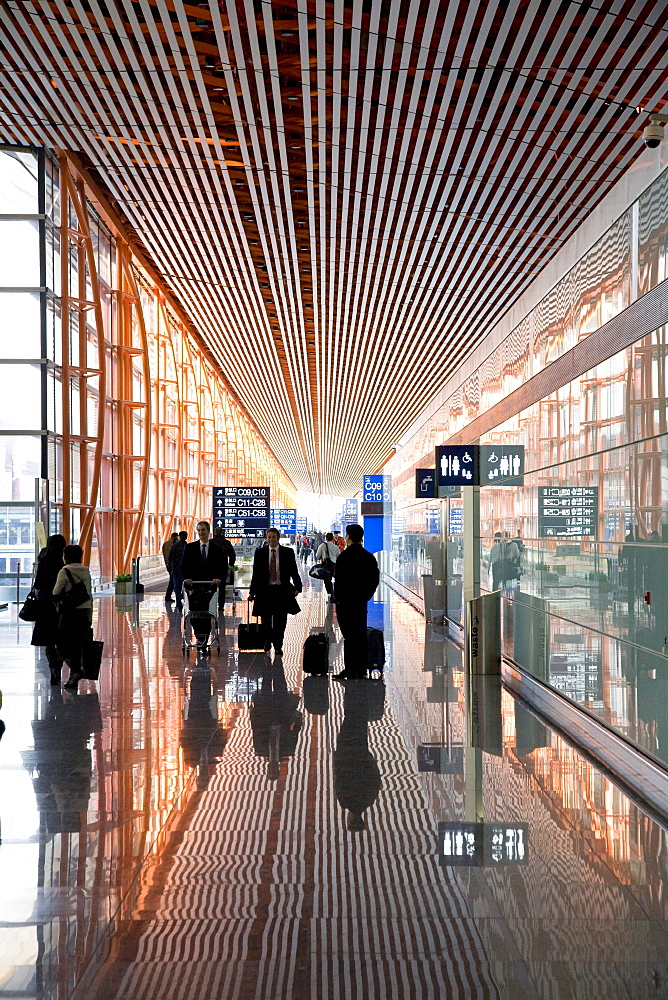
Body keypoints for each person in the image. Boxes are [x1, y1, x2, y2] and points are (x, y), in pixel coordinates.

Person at [333, 523, 380, 680]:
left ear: (348, 537)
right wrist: (366, 596)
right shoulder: (368, 557)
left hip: (345, 603)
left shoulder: (343, 557)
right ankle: (360, 668)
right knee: (359, 634)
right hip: (360, 603)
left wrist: (337, 599)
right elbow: (374, 579)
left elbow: (338, 581)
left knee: (349, 636)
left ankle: (350, 669)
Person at [249, 527, 302, 656]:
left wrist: (298, 587)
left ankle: (278, 645)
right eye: (269, 537)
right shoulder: (260, 553)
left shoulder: (287, 552)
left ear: (278, 538)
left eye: (273, 537)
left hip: (281, 591)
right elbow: (255, 573)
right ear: (266, 539)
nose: (271, 539)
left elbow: (293, 571)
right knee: (266, 620)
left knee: (280, 621)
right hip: (264, 591)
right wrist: (252, 591)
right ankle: (267, 641)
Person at [53, 544, 94, 691]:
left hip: (70, 613)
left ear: (66, 557)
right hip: (85, 612)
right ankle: (73, 676)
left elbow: (56, 592)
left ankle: (76, 670)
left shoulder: (65, 571)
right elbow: (89, 594)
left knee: (63, 644)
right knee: (79, 644)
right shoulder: (86, 570)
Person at [31, 533, 67, 685]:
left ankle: (53, 668)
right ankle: (59, 662)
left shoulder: (44, 562)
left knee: (49, 641)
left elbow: (38, 584)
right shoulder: (65, 562)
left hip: (46, 605)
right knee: (63, 639)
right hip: (63, 605)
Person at [181, 521, 228, 587]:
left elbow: (223, 566)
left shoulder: (217, 549)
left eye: (203, 530)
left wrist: (219, 578)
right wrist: (186, 578)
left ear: (208, 531)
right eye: (199, 530)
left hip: (212, 585)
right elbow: (183, 565)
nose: (200, 533)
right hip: (194, 585)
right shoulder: (189, 548)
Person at [212, 526, 237, 606]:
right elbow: (232, 555)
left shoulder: (211, 542)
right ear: (222, 532)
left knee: (211, 586)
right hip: (223, 567)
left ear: (215, 532)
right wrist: (230, 565)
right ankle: (221, 605)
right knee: (222, 587)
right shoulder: (226, 543)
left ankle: (212, 604)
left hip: (211, 568)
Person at [315, 531, 339, 600]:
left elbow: (317, 555)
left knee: (327, 580)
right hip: (334, 565)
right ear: (333, 538)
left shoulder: (322, 545)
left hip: (326, 565)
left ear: (326, 538)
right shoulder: (336, 547)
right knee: (335, 579)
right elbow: (338, 557)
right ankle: (335, 594)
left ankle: (331, 594)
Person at [168, 530, 188, 609]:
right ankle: (184, 599)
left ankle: (178, 602)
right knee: (185, 585)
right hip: (185, 569)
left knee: (177, 586)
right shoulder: (188, 546)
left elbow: (170, 558)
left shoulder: (175, 546)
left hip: (176, 569)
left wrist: (171, 567)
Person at [162, 531, 179, 604]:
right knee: (175, 580)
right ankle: (171, 596)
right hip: (176, 565)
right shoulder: (177, 544)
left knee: (172, 580)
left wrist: (167, 563)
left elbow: (165, 555)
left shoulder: (165, 544)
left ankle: (168, 596)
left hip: (169, 565)